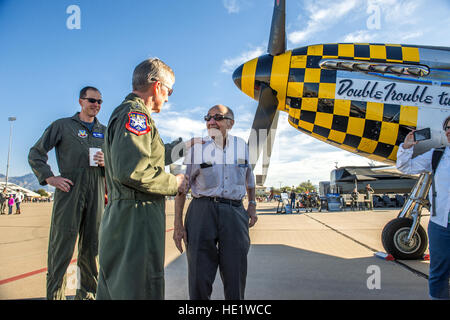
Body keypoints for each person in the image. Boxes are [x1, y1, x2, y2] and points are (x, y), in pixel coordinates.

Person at [96, 58, 188, 300]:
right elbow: (134, 171)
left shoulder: (127, 113)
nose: (168, 98)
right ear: (157, 87)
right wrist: (175, 183)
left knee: (117, 288)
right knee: (140, 288)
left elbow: (151, 155)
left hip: (122, 217)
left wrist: (184, 147)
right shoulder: (136, 115)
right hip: (137, 220)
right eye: (169, 91)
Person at [28, 86, 106, 300]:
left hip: (97, 194)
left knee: (92, 251)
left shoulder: (106, 131)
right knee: (60, 250)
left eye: (100, 102)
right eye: (92, 100)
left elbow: (119, 163)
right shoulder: (62, 126)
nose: (96, 105)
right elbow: (36, 153)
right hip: (69, 192)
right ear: (81, 101)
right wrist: (49, 177)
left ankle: (87, 296)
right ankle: (55, 296)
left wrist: (107, 162)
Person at [173, 104, 257, 300]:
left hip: (235, 212)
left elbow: (249, 180)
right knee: (199, 275)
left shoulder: (241, 145)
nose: (211, 122)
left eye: (217, 117)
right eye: (208, 118)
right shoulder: (197, 149)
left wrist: (252, 206)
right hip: (202, 211)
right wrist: (178, 224)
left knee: (236, 272)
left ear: (231, 123)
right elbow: (181, 188)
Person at [396, 116, 450, 300]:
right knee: (438, 273)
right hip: (441, 225)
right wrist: (407, 147)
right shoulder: (438, 154)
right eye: (447, 128)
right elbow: (405, 167)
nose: (449, 130)